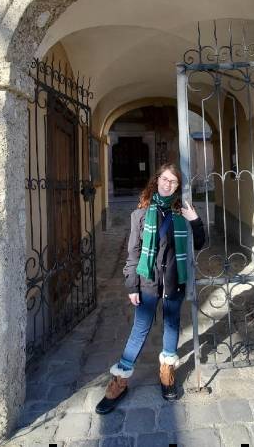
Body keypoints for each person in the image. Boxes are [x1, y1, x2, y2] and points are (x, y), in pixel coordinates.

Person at [95, 163, 205, 414]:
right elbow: (133, 253)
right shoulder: (140, 214)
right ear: (157, 181)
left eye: (173, 181)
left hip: (174, 282)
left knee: (171, 325)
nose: (168, 184)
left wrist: (195, 220)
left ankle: (167, 373)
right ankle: (120, 380)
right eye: (164, 179)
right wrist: (131, 284)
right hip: (148, 282)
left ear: (178, 186)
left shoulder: (182, 212)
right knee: (139, 329)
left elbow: (199, 243)